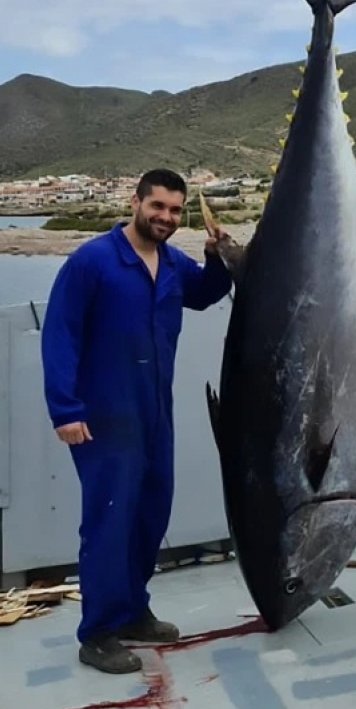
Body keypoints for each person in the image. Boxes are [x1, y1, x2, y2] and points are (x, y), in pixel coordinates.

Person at [41, 169, 234, 674]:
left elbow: (205, 294)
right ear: (136, 202)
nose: (166, 218)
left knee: (150, 513)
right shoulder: (93, 261)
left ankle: (132, 610)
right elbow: (60, 334)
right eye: (158, 207)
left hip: (154, 411)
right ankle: (99, 632)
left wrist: (216, 258)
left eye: (175, 210)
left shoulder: (173, 263)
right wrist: (65, 409)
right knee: (109, 520)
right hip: (104, 415)